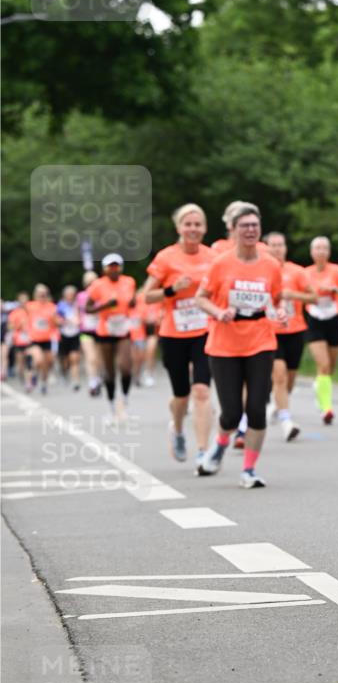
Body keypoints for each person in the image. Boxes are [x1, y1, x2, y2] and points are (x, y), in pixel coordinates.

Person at [196, 204, 284, 488]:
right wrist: (217, 312)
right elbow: (201, 297)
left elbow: (276, 300)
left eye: (254, 226)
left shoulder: (271, 265)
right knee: (231, 413)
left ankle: (249, 470)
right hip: (224, 345)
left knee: (257, 409)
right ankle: (220, 445)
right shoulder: (220, 263)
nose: (250, 230)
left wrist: (279, 313)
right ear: (233, 230)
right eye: (244, 225)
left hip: (260, 341)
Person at [144, 204, 215, 473]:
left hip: (205, 331)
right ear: (179, 228)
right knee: (181, 396)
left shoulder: (213, 257)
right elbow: (147, 295)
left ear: (205, 228)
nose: (193, 229)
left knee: (202, 390)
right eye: (188, 224)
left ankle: (202, 452)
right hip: (173, 333)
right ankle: (177, 428)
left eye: (198, 224)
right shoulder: (166, 258)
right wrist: (173, 289)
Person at [265, 230, 316, 441]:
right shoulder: (261, 271)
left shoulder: (297, 271)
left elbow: (313, 296)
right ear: (266, 248)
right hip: (271, 331)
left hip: (295, 330)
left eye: (281, 245)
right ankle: (287, 422)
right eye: (273, 245)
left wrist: (292, 295)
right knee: (279, 375)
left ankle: (277, 404)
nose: (277, 249)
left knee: (290, 379)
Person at [304, 236, 338, 424]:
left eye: (324, 248)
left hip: (334, 319)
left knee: (329, 368)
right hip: (315, 319)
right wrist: (311, 296)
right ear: (311, 252)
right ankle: (326, 408)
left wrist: (334, 289)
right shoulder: (305, 273)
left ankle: (319, 386)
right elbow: (298, 296)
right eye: (317, 248)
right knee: (324, 364)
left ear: (329, 252)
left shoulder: (337, 271)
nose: (321, 252)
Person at [85, 254, 136, 422]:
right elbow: (88, 309)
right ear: (104, 269)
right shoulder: (97, 285)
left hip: (123, 328)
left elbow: (132, 300)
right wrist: (106, 305)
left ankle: (126, 400)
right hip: (105, 330)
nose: (114, 269)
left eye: (117, 266)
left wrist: (132, 303)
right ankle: (111, 406)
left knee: (126, 366)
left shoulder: (129, 281)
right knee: (109, 371)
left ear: (121, 267)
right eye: (110, 266)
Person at [25, 284, 60, 394]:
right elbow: (23, 318)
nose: (42, 296)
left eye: (44, 294)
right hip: (34, 339)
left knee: (47, 363)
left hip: (47, 339)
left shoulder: (52, 307)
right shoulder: (29, 306)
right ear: (35, 295)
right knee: (38, 359)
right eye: (40, 294)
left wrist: (60, 322)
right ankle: (32, 377)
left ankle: (43, 383)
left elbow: (56, 322)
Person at [77, 271, 102, 396]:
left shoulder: (102, 295)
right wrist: (77, 321)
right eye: (89, 282)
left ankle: (97, 378)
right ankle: (92, 381)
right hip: (86, 330)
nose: (91, 285)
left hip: (99, 330)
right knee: (90, 357)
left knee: (97, 359)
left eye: (94, 282)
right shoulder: (81, 296)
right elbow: (77, 310)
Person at [56, 285, 82, 390]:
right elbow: (56, 319)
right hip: (64, 335)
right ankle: (64, 372)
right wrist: (64, 321)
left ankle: (75, 381)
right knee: (65, 359)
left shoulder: (77, 305)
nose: (70, 296)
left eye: (72, 294)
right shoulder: (61, 305)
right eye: (68, 294)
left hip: (75, 334)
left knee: (74, 358)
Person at [6, 293, 31, 388]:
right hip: (19, 340)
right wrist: (19, 325)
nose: (24, 302)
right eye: (22, 300)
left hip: (30, 340)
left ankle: (29, 380)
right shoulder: (14, 313)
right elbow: (9, 326)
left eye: (25, 300)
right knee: (21, 363)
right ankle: (22, 377)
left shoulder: (31, 311)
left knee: (30, 360)